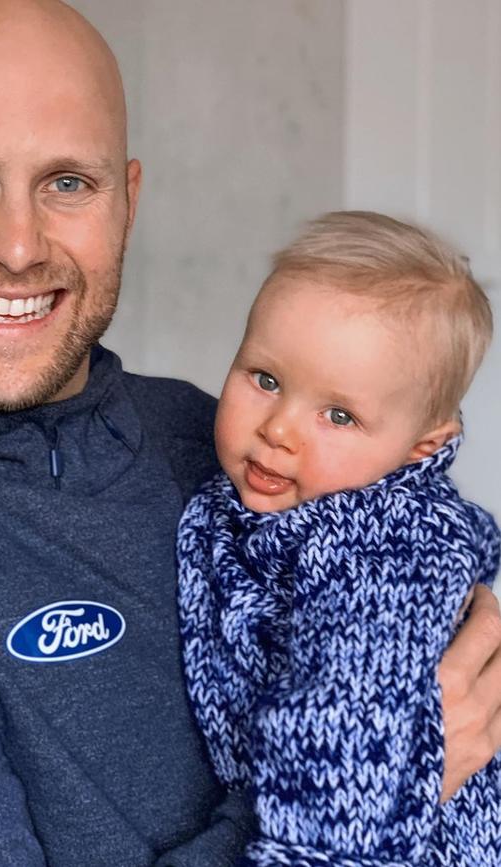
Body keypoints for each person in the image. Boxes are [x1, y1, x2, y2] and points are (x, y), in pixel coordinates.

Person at [0, 1, 498, 863]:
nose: (16, 246)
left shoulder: (217, 439)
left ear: (128, 199)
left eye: (68, 182)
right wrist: (387, 778)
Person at [178, 211, 501, 865]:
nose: (279, 428)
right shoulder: (261, 505)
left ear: (422, 446)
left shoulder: (385, 551)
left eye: (339, 415)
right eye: (265, 379)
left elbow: (343, 739)